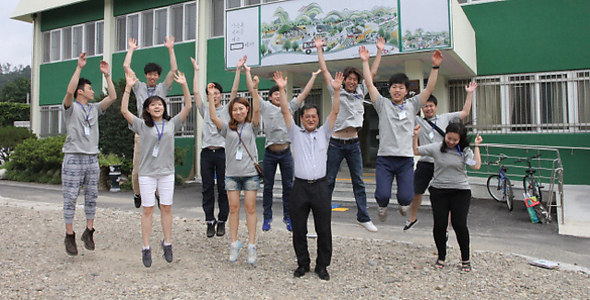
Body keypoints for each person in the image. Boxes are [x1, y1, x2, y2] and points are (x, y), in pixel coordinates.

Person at [359, 45, 443, 222]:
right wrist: (365, 62)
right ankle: (383, 206)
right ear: (389, 89)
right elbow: (369, 84)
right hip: (385, 158)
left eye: (401, 87)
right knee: (382, 194)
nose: (397, 90)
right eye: (394, 87)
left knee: (406, 197)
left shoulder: (413, 104)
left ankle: (403, 205)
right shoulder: (382, 104)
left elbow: (429, 90)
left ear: (406, 90)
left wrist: (435, 67)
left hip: (405, 159)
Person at [274, 70, 342, 281]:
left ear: (318, 118)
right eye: (307, 117)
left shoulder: (324, 132)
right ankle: (302, 264)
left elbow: (335, 112)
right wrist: (283, 90)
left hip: (321, 187)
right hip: (300, 188)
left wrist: (337, 91)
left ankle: (322, 266)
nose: (311, 119)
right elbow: (285, 111)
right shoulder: (295, 133)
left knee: (324, 229)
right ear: (301, 119)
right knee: (299, 230)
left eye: (314, 116)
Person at [121, 70, 192, 268]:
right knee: (148, 210)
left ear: (164, 106)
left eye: (160, 104)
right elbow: (124, 112)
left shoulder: (172, 123)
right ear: (147, 109)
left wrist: (184, 84)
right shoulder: (142, 125)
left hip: (166, 173)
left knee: (166, 209)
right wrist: (128, 88)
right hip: (147, 174)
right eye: (153, 105)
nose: (157, 107)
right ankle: (146, 247)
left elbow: (187, 106)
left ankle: (167, 243)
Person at [314, 36, 384, 233]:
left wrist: (377, 52)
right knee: (329, 181)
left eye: (355, 80)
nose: (352, 82)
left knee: (358, 181)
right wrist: (320, 49)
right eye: (349, 79)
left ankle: (363, 217)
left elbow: (373, 72)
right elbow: (325, 70)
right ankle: (322, 217)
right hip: (336, 143)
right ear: (344, 80)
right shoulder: (335, 90)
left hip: (353, 143)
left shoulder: (361, 91)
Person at [62, 52, 117, 256]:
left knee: (92, 196)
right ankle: (69, 235)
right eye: (89, 89)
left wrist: (107, 75)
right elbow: (69, 92)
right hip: (73, 157)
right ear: (80, 92)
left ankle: (89, 231)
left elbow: (112, 97)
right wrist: (79, 67)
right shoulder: (70, 107)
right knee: (70, 197)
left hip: (92, 158)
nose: (93, 92)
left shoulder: (94, 109)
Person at [404, 82, 478, 230]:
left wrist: (469, 93)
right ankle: (412, 218)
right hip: (426, 161)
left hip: (445, 161)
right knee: (416, 191)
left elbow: (465, 112)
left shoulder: (445, 118)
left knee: (447, 194)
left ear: (436, 107)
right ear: (422, 108)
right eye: (425, 106)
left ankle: (445, 229)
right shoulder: (418, 120)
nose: (428, 108)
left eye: (431, 105)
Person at [207, 64, 261, 265]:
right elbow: (213, 117)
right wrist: (212, 96)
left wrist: (254, 88)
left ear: (246, 110)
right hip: (231, 174)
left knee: (250, 208)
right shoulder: (226, 129)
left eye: (241, 108)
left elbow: (257, 108)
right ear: (231, 112)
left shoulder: (252, 125)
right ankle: (234, 243)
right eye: (235, 109)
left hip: (250, 175)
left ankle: (252, 245)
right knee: (233, 208)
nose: (238, 111)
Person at [413, 123, 482, 272]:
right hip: (439, 191)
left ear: (460, 140)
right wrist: (416, 136)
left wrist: (476, 146)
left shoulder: (464, 152)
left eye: (455, 140)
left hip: (460, 191)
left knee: (459, 224)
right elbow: (416, 150)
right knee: (440, 224)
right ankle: (441, 256)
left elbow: (476, 166)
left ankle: (465, 259)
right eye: (449, 138)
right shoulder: (437, 148)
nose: (451, 142)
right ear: (445, 135)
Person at [259, 69, 322, 232]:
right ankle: (267, 217)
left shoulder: (290, 107)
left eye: (281, 93)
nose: (279, 96)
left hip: (286, 153)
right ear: (270, 97)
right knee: (268, 186)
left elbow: (305, 93)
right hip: (270, 154)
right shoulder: (265, 107)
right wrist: (253, 83)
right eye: (275, 94)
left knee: (289, 187)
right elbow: (253, 95)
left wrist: (313, 77)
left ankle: (288, 217)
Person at [192, 55, 247, 238]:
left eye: (216, 94)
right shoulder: (204, 110)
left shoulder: (226, 110)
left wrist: (238, 70)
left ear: (220, 96)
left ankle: (222, 220)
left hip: (224, 153)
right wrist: (196, 72)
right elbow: (196, 94)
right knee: (207, 187)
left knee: (224, 187)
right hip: (207, 153)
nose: (213, 96)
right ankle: (209, 220)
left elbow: (235, 90)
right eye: (211, 93)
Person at [123, 37, 178, 208]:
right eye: (150, 74)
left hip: (161, 132)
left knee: (161, 168)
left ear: (158, 76)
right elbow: (126, 67)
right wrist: (131, 49)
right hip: (142, 132)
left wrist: (171, 49)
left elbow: (174, 69)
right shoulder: (138, 87)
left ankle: (159, 196)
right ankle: (138, 193)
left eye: (155, 74)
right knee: (138, 169)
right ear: (145, 75)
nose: (152, 77)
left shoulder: (162, 88)